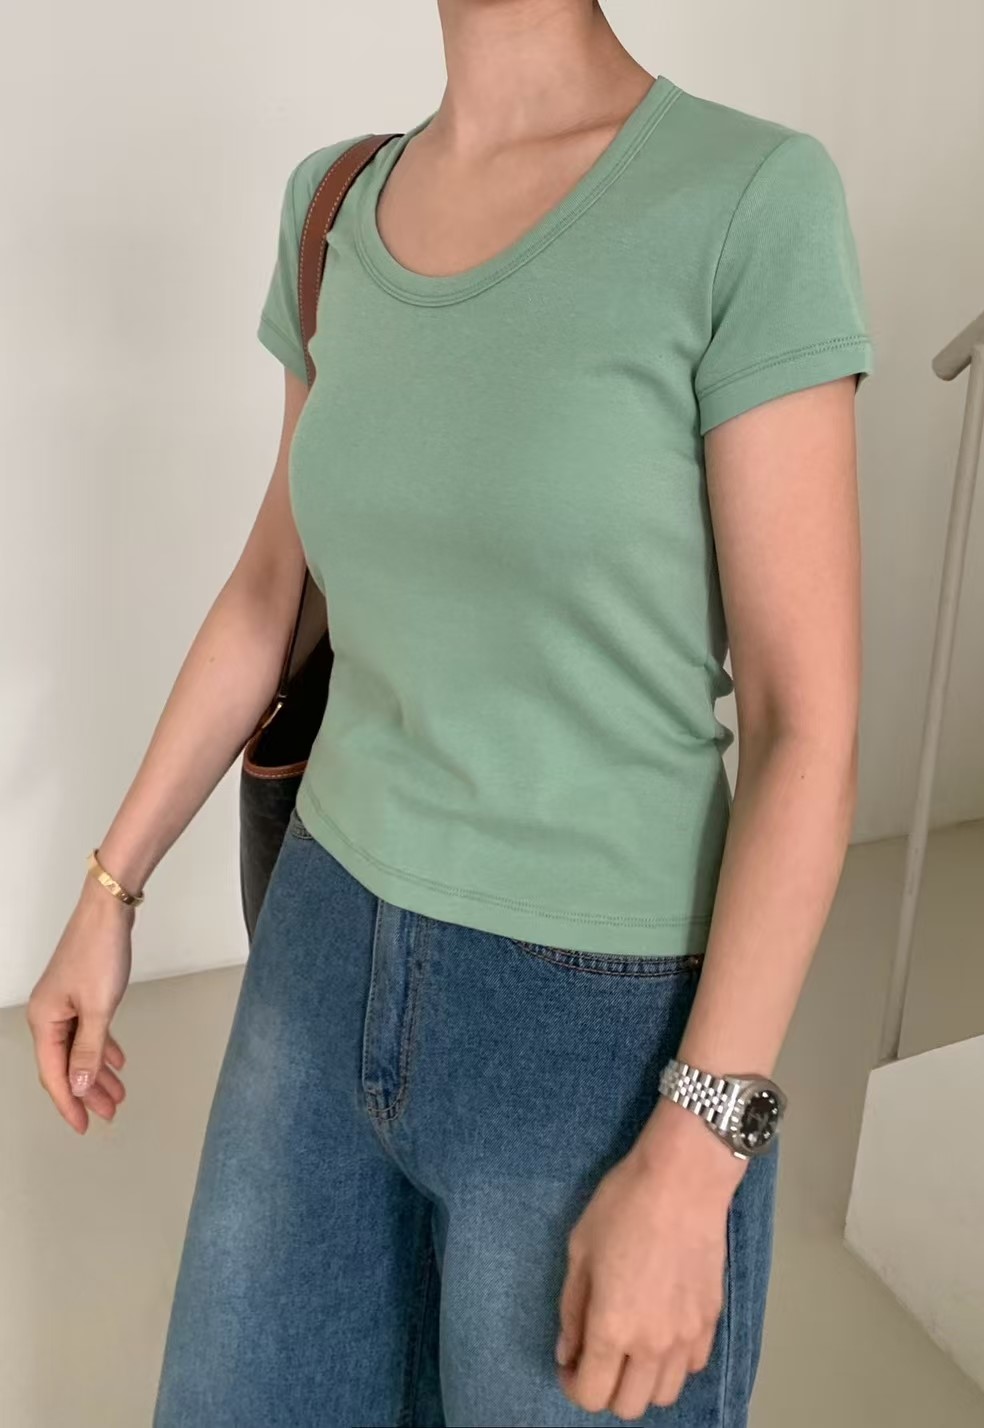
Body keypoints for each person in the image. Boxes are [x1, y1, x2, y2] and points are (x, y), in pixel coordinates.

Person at [26, 2, 873, 1424]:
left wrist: (698, 1151)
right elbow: (272, 591)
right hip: (318, 951)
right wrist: (110, 888)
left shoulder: (748, 200)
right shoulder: (335, 207)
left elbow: (808, 728)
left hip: (600, 1030)